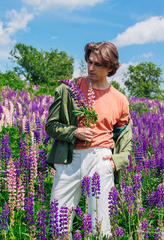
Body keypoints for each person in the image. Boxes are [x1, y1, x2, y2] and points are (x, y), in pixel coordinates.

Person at [45, 41, 133, 238]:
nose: (91, 68)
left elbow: (125, 138)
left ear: (110, 68)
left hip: (100, 159)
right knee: (58, 221)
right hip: (69, 158)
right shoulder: (69, 89)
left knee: (100, 224)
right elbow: (50, 126)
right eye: (89, 62)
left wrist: (116, 161)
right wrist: (74, 132)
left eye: (98, 64)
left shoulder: (120, 99)